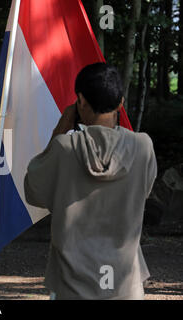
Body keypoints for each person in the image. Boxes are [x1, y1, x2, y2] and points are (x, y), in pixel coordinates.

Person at [24, 63, 157, 300]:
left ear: (81, 101)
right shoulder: (143, 146)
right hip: (124, 282)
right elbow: (142, 192)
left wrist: (60, 130)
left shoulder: (64, 149)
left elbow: (33, 190)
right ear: (120, 103)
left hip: (71, 284)